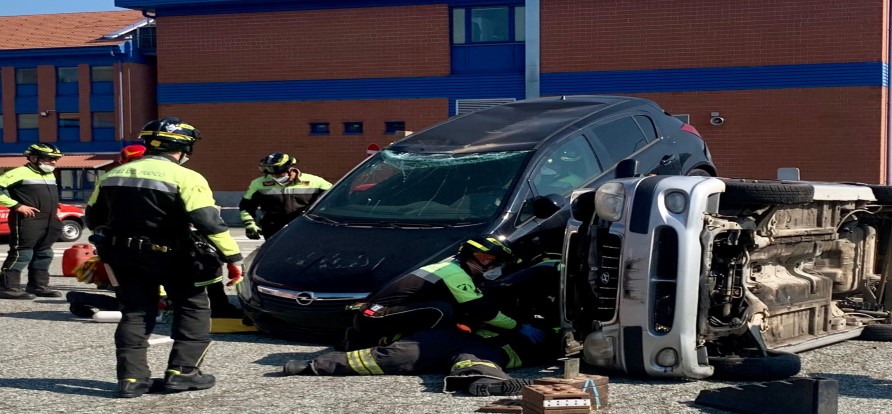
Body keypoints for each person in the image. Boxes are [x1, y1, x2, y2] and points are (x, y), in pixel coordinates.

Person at [85, 117, 243, 398]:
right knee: (192, 308)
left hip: (123, 255)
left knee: (135, 312)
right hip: (174, 255)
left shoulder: (111, 175)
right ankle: (182, 373)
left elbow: (93, 218)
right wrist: (232, 257)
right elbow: (208, 221)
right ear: (184, 149)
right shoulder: (187, 177)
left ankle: (131, 379)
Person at [280, 237, 556, 396]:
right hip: (379, 319)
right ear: (471, 255)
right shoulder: (454, 273)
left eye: (494, 262)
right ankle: (316, 365)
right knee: (434, 321)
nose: (490, 266)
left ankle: (483, 380)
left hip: (442, 335)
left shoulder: (458, 272)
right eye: (486, 260)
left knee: (462, 353)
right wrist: (518, 326)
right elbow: (481, 309)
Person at [0, 143, 66, 300]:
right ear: (34, 158)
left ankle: (38, 286)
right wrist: (17, 206)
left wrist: (54, 205)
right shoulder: (17, 173)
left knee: (44, 253)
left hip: (49, 221)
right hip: (27, 220)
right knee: (22, 253)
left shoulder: (49, 175)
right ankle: (7, 287)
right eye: (49, 159)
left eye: (55, 159)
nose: (54, 162)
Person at [239, 153, 332, 240]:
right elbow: (246, 206)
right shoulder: (258, 183)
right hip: (273, 229)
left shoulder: (315, 182)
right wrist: (249, 223)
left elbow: (334, 200)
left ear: (289, 169)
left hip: (305, 227)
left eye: (276, 171)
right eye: (268, 170)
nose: (273, 175)